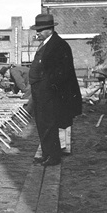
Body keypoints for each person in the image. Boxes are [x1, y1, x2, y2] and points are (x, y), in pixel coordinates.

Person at [28, 13, 82, 167]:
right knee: (42, 124)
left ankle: (54, 156)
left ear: (50, 29)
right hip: (41, 92)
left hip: (51, 94)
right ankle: (47, 154)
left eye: (40, 30)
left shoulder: (59, 45)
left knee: (50, 124)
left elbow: (61, 73)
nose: (37, 33)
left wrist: (48, 88)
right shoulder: (45, 43)